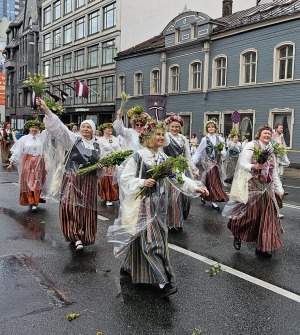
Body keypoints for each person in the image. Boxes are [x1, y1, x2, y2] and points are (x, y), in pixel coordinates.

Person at [107, 119, 208, 298]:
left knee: (150, 240)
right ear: (148, 138)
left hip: (159, 206)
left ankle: (130, 266)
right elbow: (124, 178)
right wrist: (142, 182)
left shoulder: (164, 159)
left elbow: (178, 178)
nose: (161, 137)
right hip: (142, 206)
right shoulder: (138, 156)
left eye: (163, 134)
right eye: (158, 134)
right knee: (150, 243)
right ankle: (163, 282)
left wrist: (195, 187)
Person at [36, 98, 103, 253]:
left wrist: (101, 166)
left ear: (93, 130)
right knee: (69, 206)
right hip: (72, 178)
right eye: (83, 126)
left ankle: (84, 235)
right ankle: (75, 236)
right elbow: (58, 127)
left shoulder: (98, 145)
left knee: (86, 209)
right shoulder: (73, 140)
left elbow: (102, 166)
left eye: (89, 127)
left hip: (89, 181)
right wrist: (46, 109)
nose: (86, 129)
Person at [223, 125, 284, 258]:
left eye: (269, 133)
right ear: (259, 134)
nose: (267, 135)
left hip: (267, 188)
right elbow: (243, 163)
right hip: (252, 185)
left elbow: (273, 172)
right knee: (249, 216)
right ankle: (238, 233)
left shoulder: (271, 150)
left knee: (267, 218)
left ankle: (262, 247)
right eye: (265, 133)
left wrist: (279, 188)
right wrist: (254, 166)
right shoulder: (251, 145)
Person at [163, 115, 199, 231]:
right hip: (170, 170)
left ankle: (179, 219)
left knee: (184, 197)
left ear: (180, 128)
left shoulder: (183, 138)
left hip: (181, 169)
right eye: (172, 126)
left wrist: (193, 171)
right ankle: (173, 223)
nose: (174, 129)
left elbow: (187, 156)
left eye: (177, 127)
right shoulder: (165, 137)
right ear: (168, 127)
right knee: (173, 198)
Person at [7, 120, 47, 212]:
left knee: (37, 182)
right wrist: (11, 163)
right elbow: (18, 151)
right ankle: (31, 201)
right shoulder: (24, 139)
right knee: (29, 183)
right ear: (29, 128)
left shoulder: (41, 138)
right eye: (32, 127)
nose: (34, 129)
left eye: (36, 128)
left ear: (39, 129)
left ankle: (35, 201)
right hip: (28, 162)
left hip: (39, 162)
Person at [192, 120, 229, 210]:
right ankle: (214, 201)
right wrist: (193, 162)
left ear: (215, 128)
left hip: (217, 162)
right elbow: (198, 152)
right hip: (209, 162)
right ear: (207, 129)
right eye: (209, 127)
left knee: (215, 180)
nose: (211, 128)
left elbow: (224, 152)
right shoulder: (205, 139)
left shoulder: (220, 139)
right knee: (213, 180)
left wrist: (221, 152)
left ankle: (203, 194)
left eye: (212, 127)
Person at [97, 122, 121, 206]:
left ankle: (114, 196)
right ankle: (107, 198)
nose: (110, 129)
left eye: (111, 128)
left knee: (114, 180)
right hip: (105, 162)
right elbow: (99, 152)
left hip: (114, 163)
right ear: (104, 130)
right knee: (106, 180)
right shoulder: (100, 140)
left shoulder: (115, 138)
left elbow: (119, 149)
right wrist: (100, 162)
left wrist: (118, 159)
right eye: (108, 128)